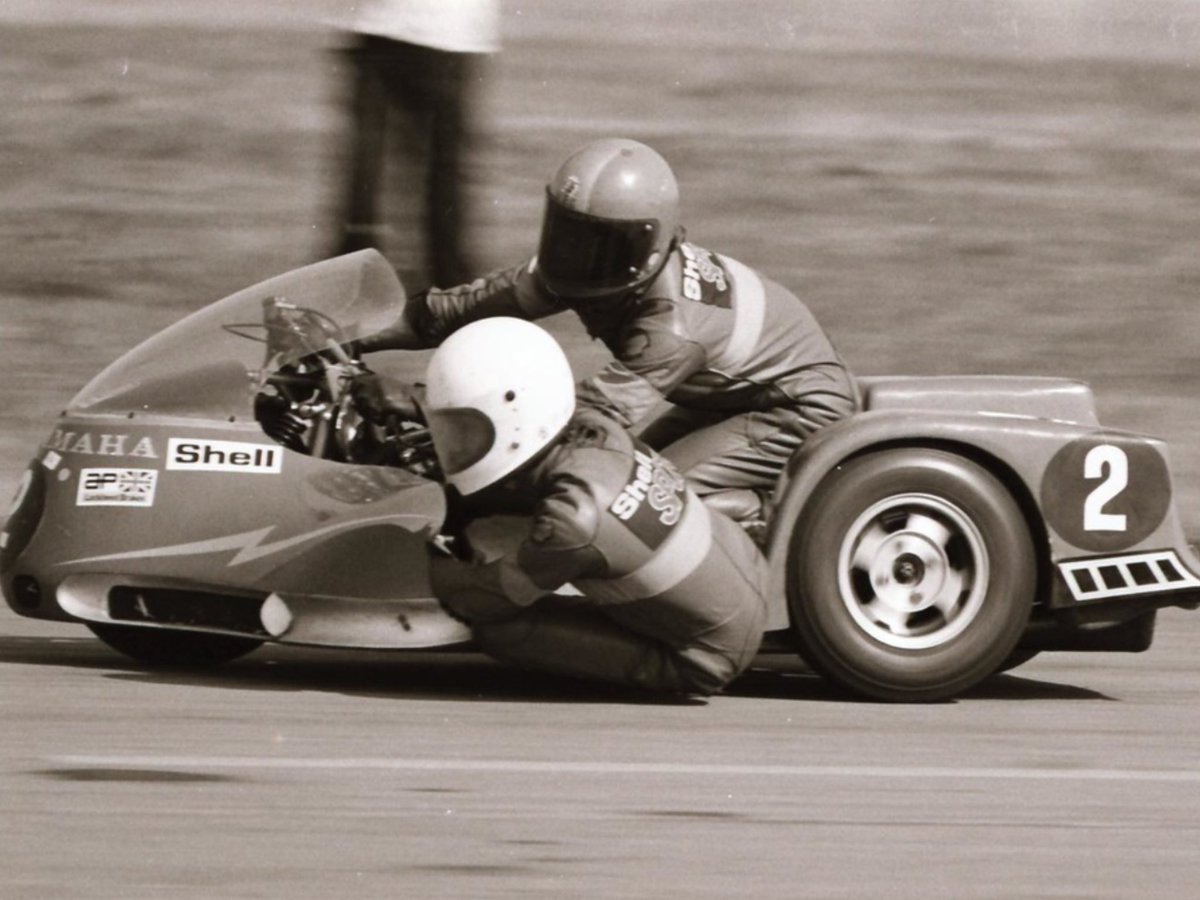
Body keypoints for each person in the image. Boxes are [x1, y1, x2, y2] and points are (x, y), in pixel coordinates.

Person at [357, 137, 859, 529]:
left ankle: (772, 516)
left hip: (791, 407)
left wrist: (422, 403)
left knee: (646, 499)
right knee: (627, 471)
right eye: (569, 234)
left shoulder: (672, 327)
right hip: (725, 394)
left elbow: (577, 419)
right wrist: (348, 331)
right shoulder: (576, 271)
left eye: (600, 245)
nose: (579, 259)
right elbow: (452, 310)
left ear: (648, 244)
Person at [413, 317, 768, 696]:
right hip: (747, 566)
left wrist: (425, 561)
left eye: (467, 431)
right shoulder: (593, 426)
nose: (457, 445)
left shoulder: (573, 520)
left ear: (517, 414)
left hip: (702, 655)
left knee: (497, 627)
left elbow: (489, 600)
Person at [330, 0, 499, 289]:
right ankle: (450, 286)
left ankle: (350, 280)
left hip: (390, 29)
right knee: (441, 172)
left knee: (368, 174)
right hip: (447, 33)